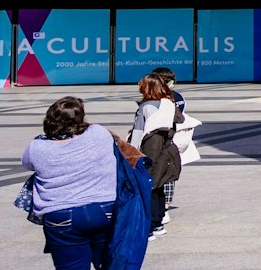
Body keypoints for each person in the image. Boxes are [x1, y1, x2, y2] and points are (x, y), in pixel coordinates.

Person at [21, 96, 120, 270]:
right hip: (104, 208)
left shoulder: (36, 146)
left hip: (60, 214)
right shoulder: (99, 132)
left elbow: (27, 164)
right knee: (111, 265)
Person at [127, 73, 182, 239]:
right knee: (158, 188)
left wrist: (131, 154)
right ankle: (158, 224)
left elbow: (138, 132)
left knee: (147, 188)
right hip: (167, 152)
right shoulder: (169, 105)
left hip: (150, 151)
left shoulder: (145, 107)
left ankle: (148, 228)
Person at [148, 67, 200, 217]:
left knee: (160, 170)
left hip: (163, 140)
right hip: (174, 139)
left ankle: (161, 207)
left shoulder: (161, 99)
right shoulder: (177, 97)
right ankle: (164, 205)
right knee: (169, 171)